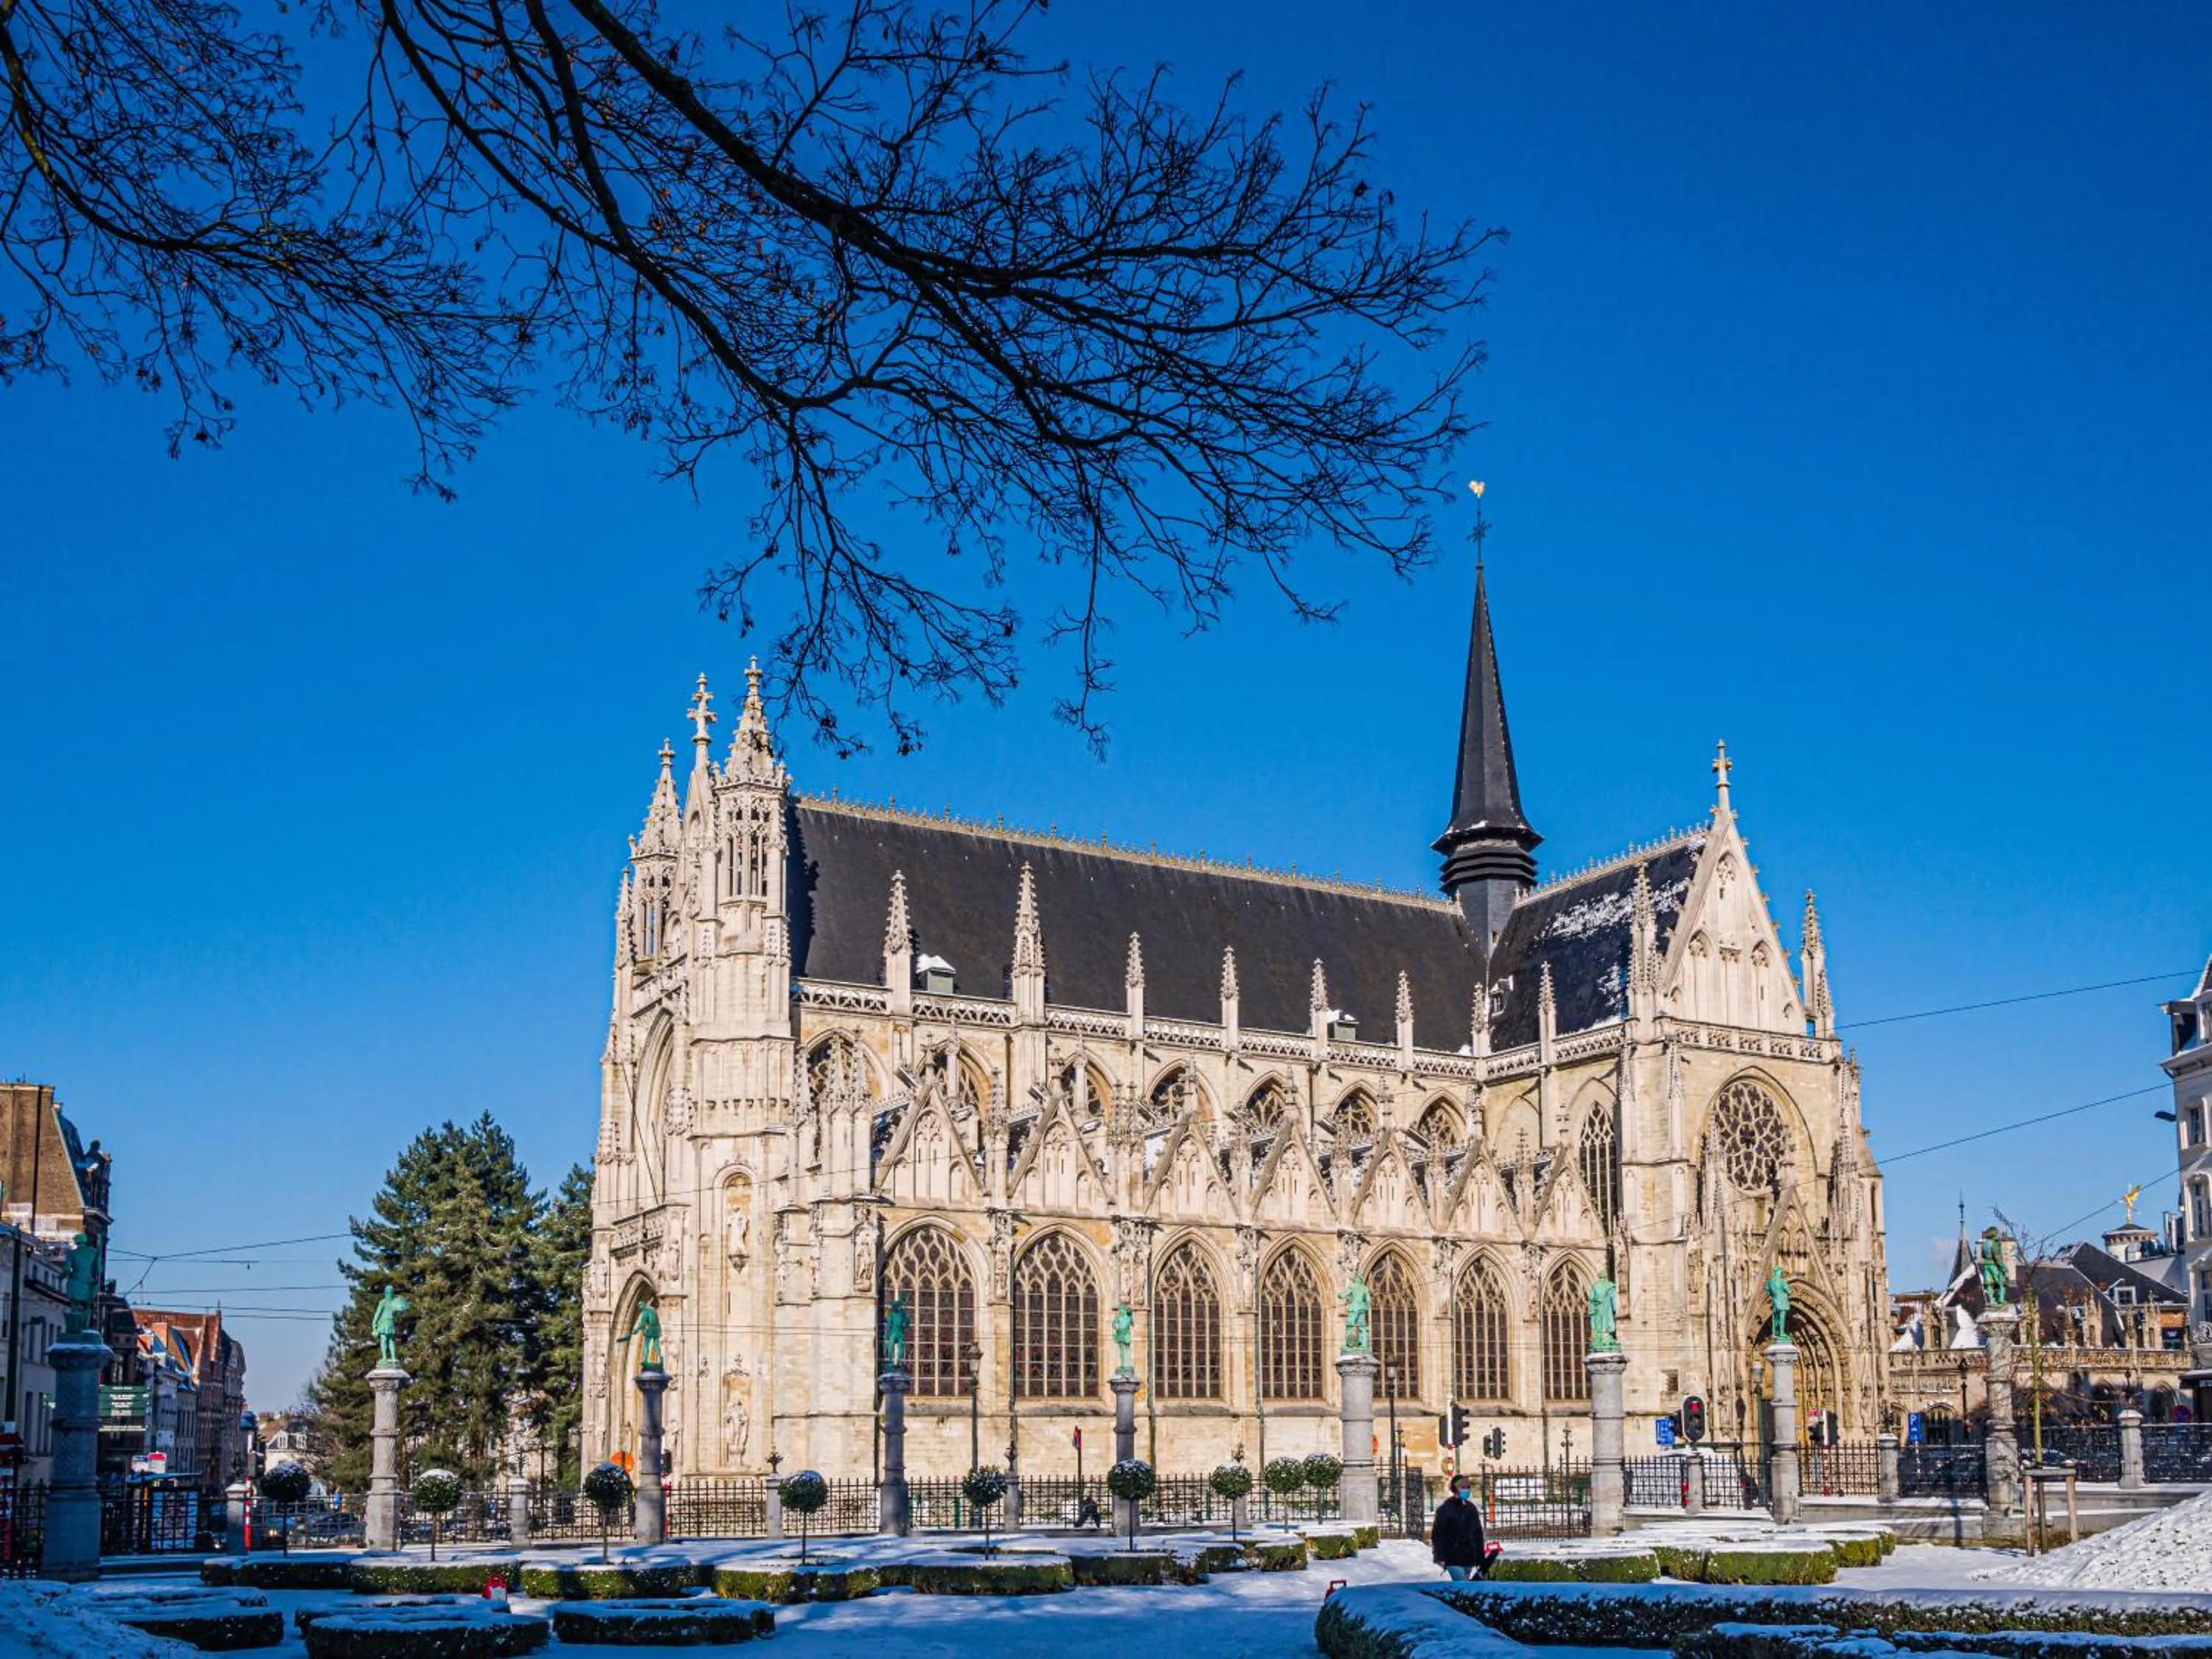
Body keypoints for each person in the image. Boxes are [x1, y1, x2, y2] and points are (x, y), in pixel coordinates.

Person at [1430, 1472, 1486, 1582]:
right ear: (1455, 1489)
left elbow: (1478, 1533)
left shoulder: (1471, 1508)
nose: (1466, 1490)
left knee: (1465, 1586)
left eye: (1468, 1487)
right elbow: (1438, 1534)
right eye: (1463, 1487)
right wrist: (1439, 1556)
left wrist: (1480, 1556)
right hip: (1453, 1557)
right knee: (1462, 1584)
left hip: (1469, 1556)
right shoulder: (1446, 1509)